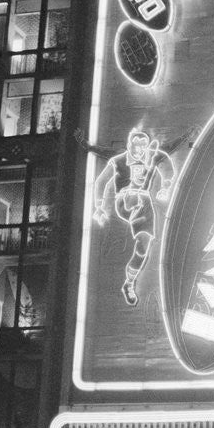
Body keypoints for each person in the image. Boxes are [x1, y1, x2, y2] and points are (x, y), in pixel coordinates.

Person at [91, 129, 175, 306]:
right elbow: (101, 182)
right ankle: (134, 206)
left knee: (144, 246)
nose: (139, 149)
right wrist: (99, 207)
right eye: (136, 145)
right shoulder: (118, 161)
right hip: (125, 199)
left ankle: (129, 283)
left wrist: (165, 187)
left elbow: (168, 167)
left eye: (143, 145)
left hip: (144, 201)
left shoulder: (154, 155)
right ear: (130, 145)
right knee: (134, 199)